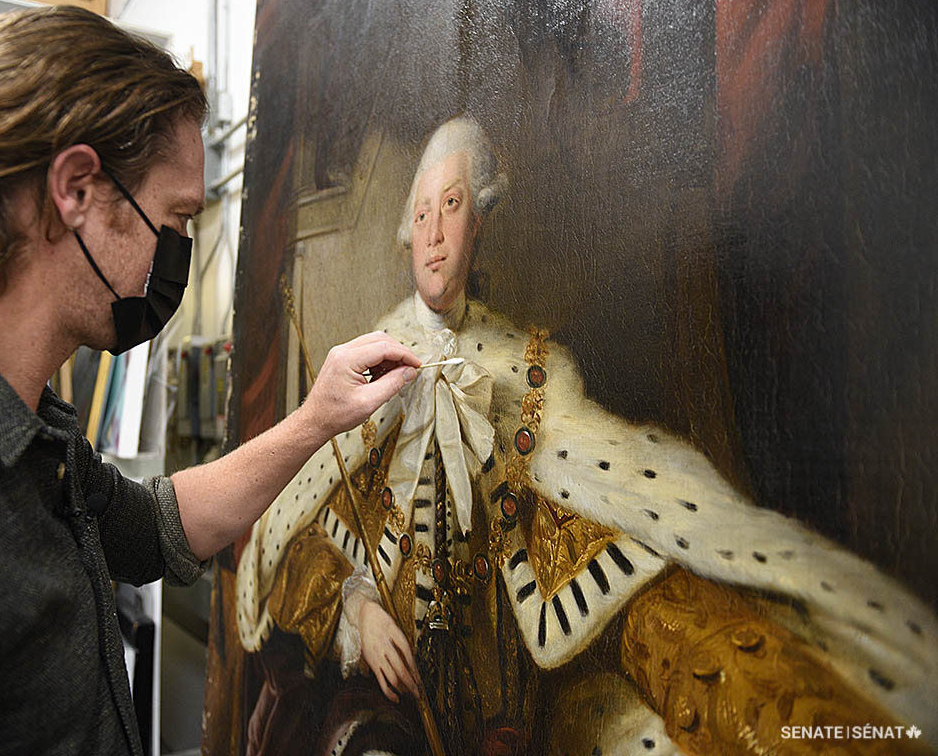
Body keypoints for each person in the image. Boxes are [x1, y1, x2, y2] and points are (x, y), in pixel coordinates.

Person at [0, 6, 418, 755]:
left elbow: (152, 528)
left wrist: (318, 416)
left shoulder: (22, 426)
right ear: (77, 189)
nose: (180, 252)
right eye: (176, 217)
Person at [235, 117, 938, 755]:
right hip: (391, 712)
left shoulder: (532, 370)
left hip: (512, 714)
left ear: (481, 219)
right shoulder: (368, 371)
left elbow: (603, 493)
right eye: (421, 213)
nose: (435, 234)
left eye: (452, 206)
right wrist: (357, 612)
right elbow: (294, 541)